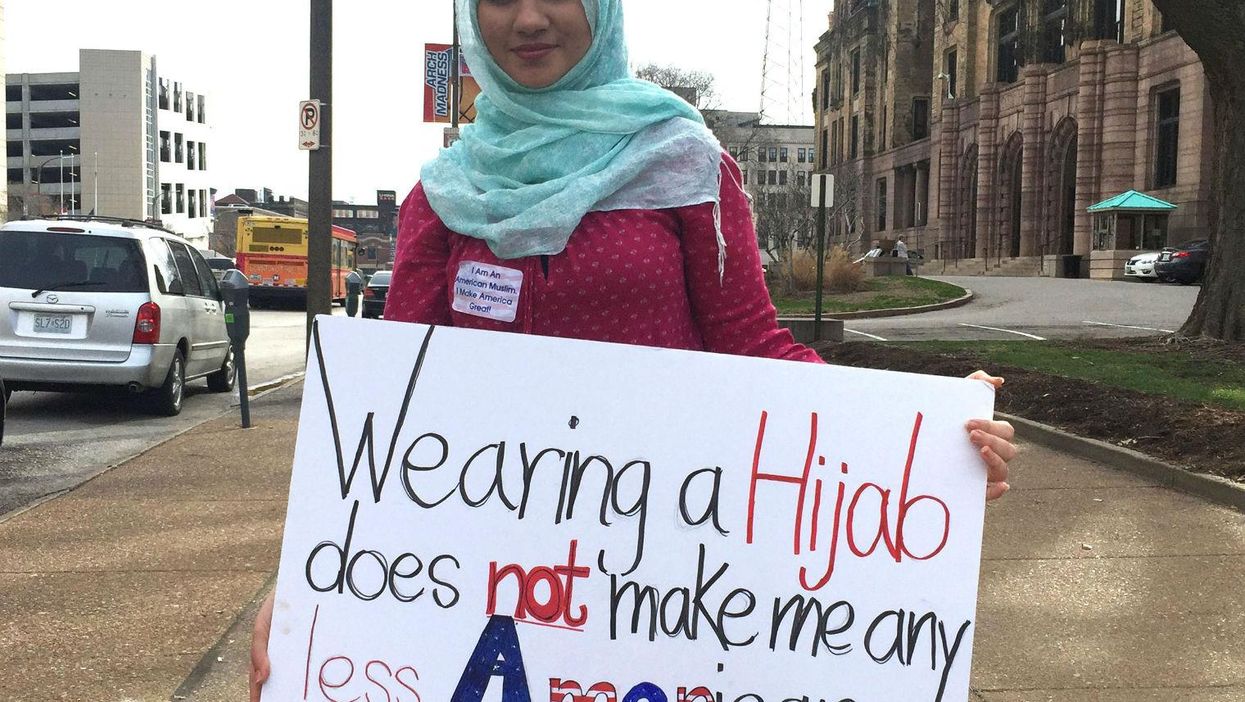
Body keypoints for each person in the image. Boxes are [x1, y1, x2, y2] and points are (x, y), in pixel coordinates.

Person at [249, 1, 1016, 697]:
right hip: (477, 574)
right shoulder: (445, 193)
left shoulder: (682, 163)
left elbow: (752, 343)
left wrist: (918, 445)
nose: (525, 20)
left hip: (659, 579)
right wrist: (309, 591)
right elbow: (388, 408)